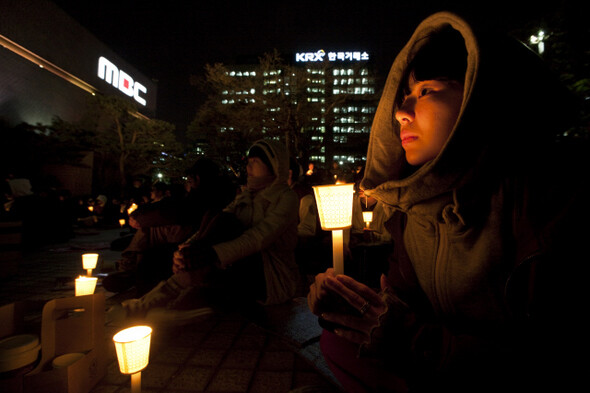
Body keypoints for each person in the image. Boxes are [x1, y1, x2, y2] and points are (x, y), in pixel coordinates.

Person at [307, 11, 588, 393]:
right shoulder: (414, 212)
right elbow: (405, 308)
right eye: (404, 96)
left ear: (480, 98)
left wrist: (414, 342)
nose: (403, 114)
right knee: (336, 342)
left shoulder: (546, 199)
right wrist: (351, 305)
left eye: (427, 92)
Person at [109, 139, 300, 323]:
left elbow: (259, 238)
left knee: (224, 232)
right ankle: (163, 307)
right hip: (236, 265)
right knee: (219, 220)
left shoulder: (286, 198)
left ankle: (153, 304)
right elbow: (215, 224)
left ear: (274, 166)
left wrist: (209, 254)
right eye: (248, 162)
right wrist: (185, 250)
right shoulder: (245, 196)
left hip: (269, 274)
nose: (248, 168)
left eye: (255, 162)